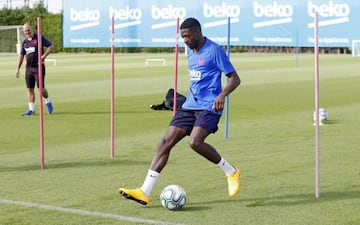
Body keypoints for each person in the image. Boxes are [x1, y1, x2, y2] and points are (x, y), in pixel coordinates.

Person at [118, 17, 241, 206]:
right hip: (189, 105)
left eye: (188, 36)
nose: (185, 40)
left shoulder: (214, 51)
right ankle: (144, 191)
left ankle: (231, 171)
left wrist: (222, 95)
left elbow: (234, 78)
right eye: (183, 37)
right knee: (165, 142)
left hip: (210, 106)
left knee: (195, 142)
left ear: (198, 33)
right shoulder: (189, 51)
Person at [16, 23, 54, 116]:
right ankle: (31, 110)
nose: (27, 32)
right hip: (29, 68)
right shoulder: (24, 42)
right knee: (30, 89)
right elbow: (21, 55)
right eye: (25, 30)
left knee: (40, 88)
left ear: (31, 29)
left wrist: (44, 56)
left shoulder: (39, 38)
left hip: (39, 67)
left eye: (28, 30)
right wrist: (18, 68)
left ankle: (48, 101)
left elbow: (50, 46)